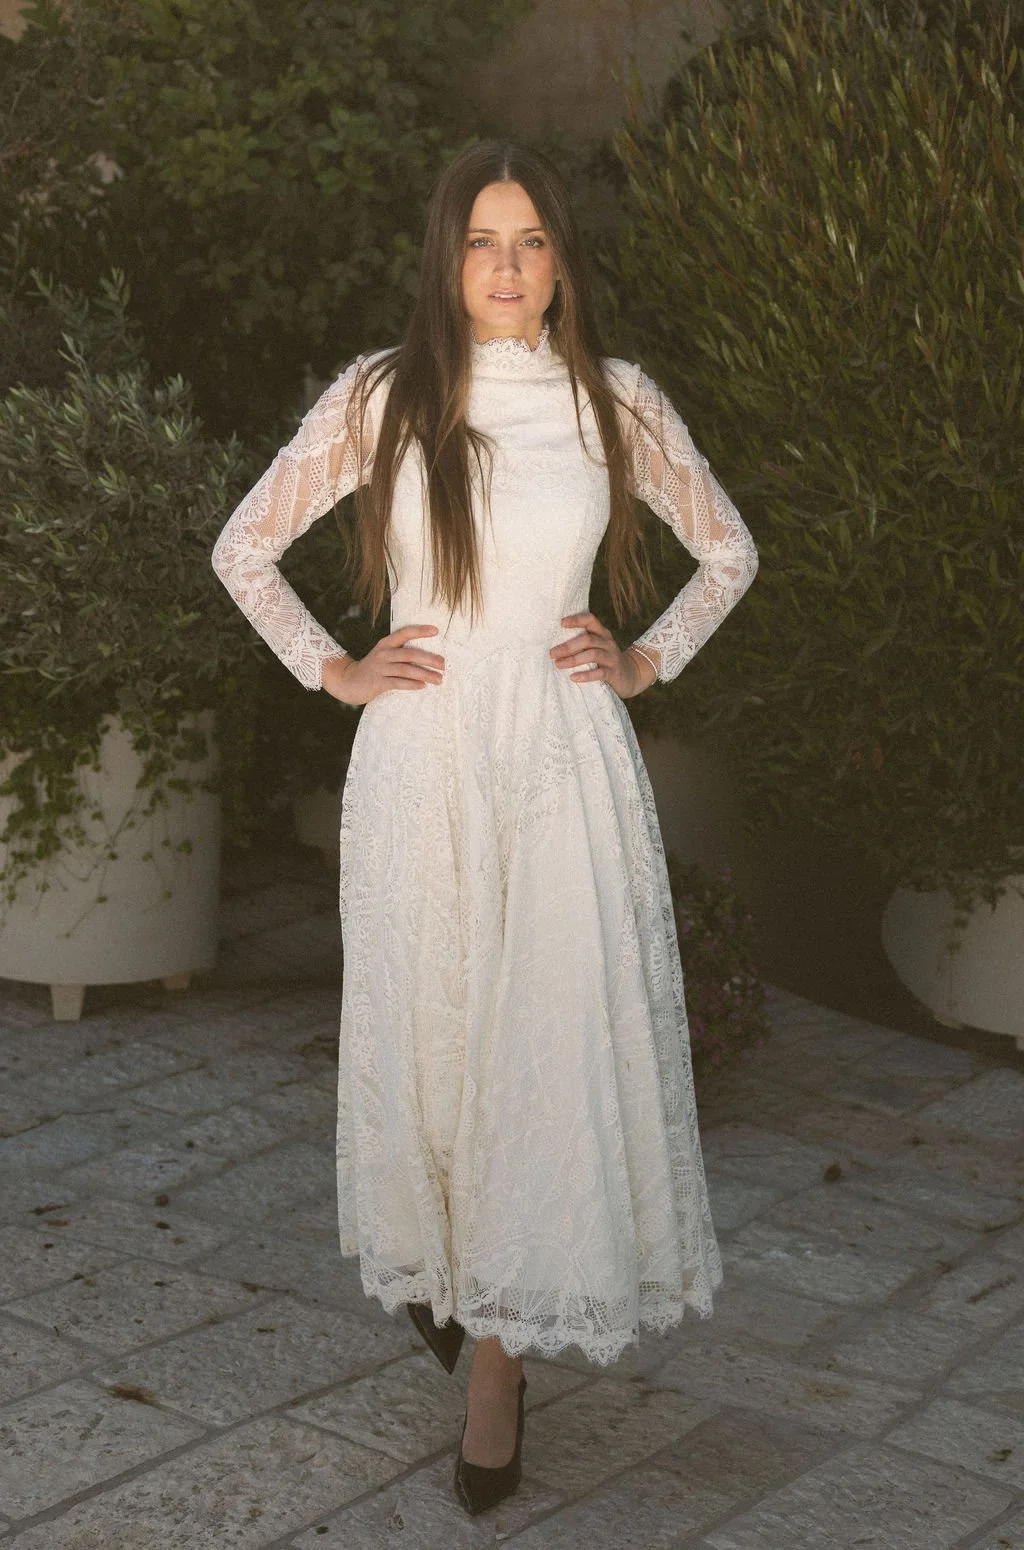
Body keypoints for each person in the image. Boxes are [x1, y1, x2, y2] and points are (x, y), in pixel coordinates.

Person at [211, 139, 758, 1516]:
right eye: (480, 242)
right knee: (439, 1035)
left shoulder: (611, 402)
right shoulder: (385, 398)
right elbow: (244, 547)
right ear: (446, 262)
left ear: (562, 262)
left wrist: (647, 659)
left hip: (563, 761)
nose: (506, 267)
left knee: (536, 1046)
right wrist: (334, 670)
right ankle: (454, 1281)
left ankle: (497, 1365)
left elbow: (731, 549)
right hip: (423, 759)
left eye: (528, 241)